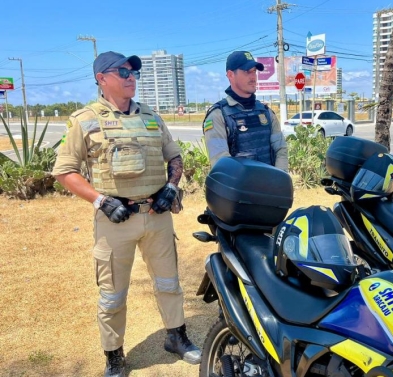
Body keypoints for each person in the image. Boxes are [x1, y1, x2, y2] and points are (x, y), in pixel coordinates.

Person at [52, 51, 200, 377]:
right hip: (114, 222)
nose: (130, 76)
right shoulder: (84, 120)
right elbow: (65, 172)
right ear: (101, 78)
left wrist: (171, 188)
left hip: (158, 217)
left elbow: (174, 157)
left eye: (133, 71)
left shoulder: (151, 116)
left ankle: (177, 337)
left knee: (169, 283)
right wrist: (100, 201)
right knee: (113, 294)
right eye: (122, 71)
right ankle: (114, 356)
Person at [203, 50, 288, 171]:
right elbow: (221, 162)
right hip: (238, 189)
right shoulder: (218, 115)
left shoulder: (266, 113)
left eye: (254, 71)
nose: (253, 76)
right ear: (231, 75)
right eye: (247, 71)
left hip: (270, 187)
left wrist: (279, 180)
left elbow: (281, 149)